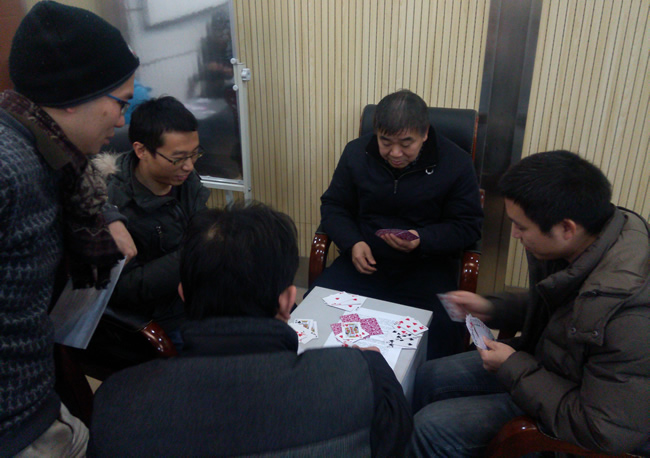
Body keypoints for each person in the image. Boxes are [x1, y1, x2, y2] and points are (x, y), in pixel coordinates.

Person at [88, 202, 413, 457]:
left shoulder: (115, 403)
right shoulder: (362, 376)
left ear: (183, 293)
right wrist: (369, 368)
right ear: (288, 300)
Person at [409, 150, 650, 457]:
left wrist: (512, 366)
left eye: (521, 227)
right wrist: (493, 308)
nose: (514, 234)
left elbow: (602, 430)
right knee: (430, 376)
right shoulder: (589, 239)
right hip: (548, 367)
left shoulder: (631, 315)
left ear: (566, 228)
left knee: (430, 427)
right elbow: (565, 312)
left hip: (574, 413)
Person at [0, 0, 139, 456]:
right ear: (72, 97)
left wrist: (108, 217)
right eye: (120, 102)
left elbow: (77, 182)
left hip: (37, 396)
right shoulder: (10, 167)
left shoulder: (36, 146)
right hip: (16, 425)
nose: (122, 119)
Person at [311, 89, 484, 358]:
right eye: (385, 142)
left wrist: (422, 239)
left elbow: (468, 225)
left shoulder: (456, 162)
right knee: (316, 317)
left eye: (406, 143)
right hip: (363, 263)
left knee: (442, 335)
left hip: (426, 267)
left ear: (424, 133)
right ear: (376, 133)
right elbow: (334, 206)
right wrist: (353, 242)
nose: (395, 153)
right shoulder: (356, 152)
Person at [98, 96, 210, 342]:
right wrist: (196, 253)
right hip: (163, 318)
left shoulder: (184, 179)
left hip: (199, 292)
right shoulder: (112, 207)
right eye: (178, 158)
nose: (189, 166)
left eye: (194, 154)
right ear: (141, 150)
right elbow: (123, 289)